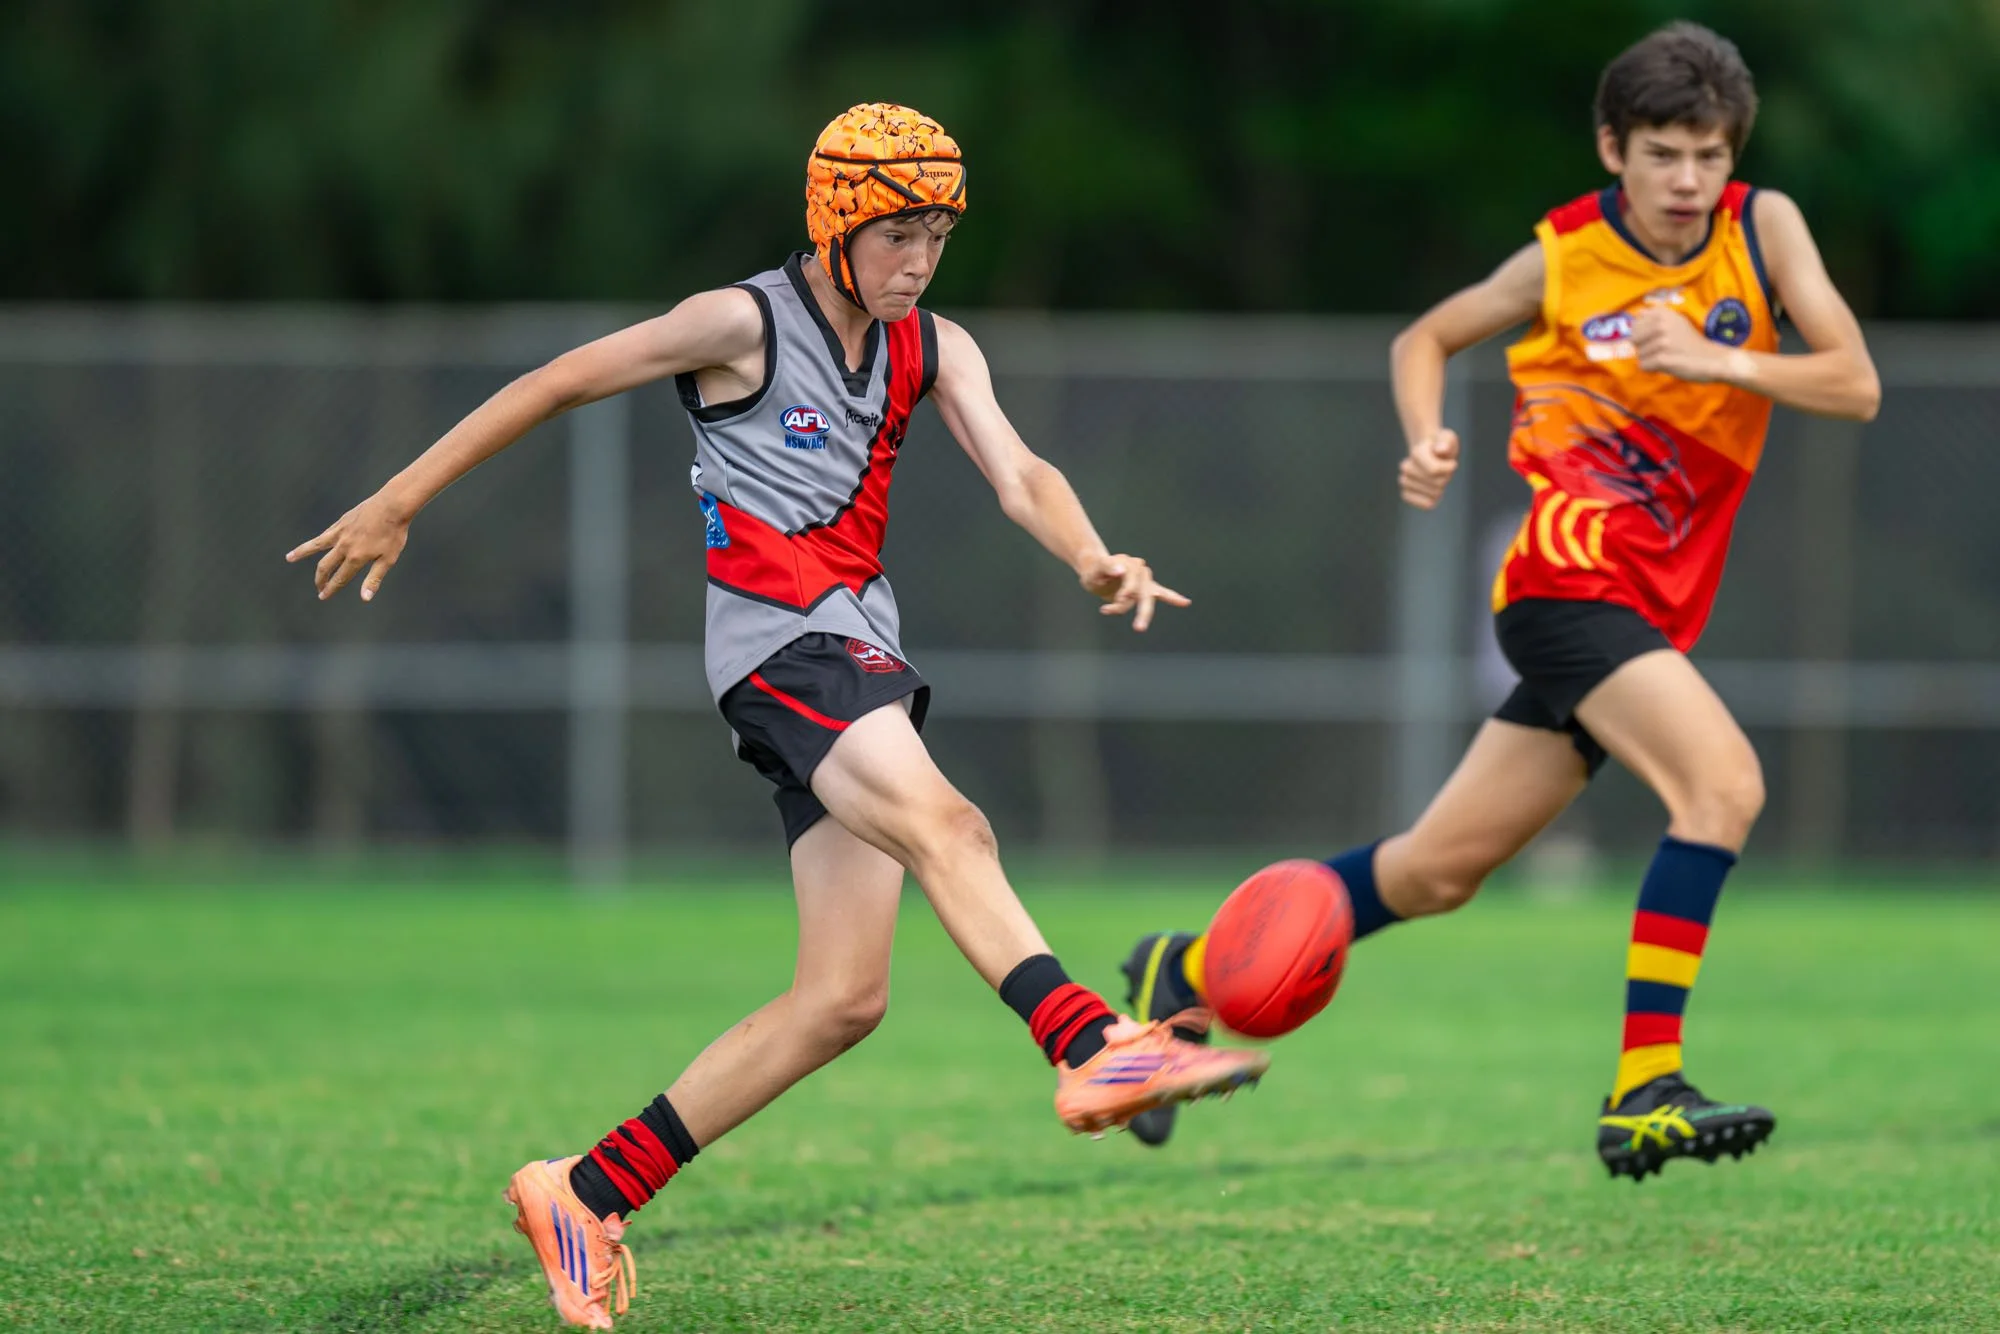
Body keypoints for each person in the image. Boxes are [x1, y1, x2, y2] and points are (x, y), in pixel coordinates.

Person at [288, 103, 1269, 1329]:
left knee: (841, 999)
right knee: (953, 826)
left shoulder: (933, 344)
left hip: (854, 652)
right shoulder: (739, 322)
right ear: (836, 223)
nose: (919, 262)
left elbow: (1021, 471)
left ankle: (584, 1189)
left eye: (938, 237)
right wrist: (398, 498)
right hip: (782, 649)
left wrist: (1090, 553)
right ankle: (1089, 1045)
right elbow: (556, 381)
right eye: (898, 234)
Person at [1118, 22, 1879, 1180]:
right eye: (1662, 153)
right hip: (1566, 580)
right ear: (1611, 148)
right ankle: (1644, 1087)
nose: (1686, 180)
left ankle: (1180, 969)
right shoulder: (1564, 256)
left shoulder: (1761, 229)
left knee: (1433, 871)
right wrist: (1425, 434)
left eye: (1708, 155)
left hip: (1647, 604)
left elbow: (1853, 382)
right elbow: (1425, 336)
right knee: (1720, 784)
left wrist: (1719, 360)